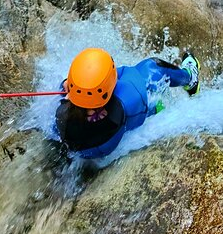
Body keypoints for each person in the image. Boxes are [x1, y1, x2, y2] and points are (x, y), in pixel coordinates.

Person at [55, 48, 200, 159]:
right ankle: (190, 79)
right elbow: (129, 74)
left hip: (85, 149)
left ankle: (155, 108)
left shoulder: (62, 113)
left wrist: (71, 86)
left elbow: (69, 93)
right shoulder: (129, 98)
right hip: (118, 126)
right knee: (153, 66)